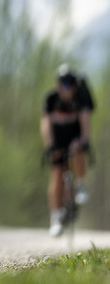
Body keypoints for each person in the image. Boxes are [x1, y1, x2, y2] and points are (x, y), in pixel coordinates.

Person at [41, 65, 95, 237]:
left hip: (75, 138)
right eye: (63, 83)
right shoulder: (51, 99)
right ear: (57, 84)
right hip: (58, 140)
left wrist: (84, 140)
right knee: (57, 174)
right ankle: (56, 217)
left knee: (77, 151)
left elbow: (85, 122)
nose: (67, 87)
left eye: (70, 83)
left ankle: (80, 184)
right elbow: (45, 124)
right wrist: (49, 144)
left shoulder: (81, 98)